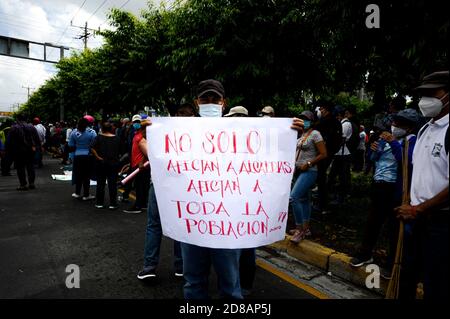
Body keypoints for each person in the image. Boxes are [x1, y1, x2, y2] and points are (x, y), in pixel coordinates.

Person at [395, 70, 449, 300]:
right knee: (406, 276)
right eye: (422, 94)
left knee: (435, 282)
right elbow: (418, 171)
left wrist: (419, 208)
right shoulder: (425, 128)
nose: (424, 100)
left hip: (441, 223)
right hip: (415, 219)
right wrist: (409, 203)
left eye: (432, 93)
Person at [136, 104, 195, 280]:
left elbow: (143, 145)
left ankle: (149, 267)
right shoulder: (197, 139)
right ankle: (181, 266)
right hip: (184, 187)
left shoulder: (162, 136)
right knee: (181, 225)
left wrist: (147, 134)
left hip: (160, 185)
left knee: (154, 226)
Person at [289, 110, 327, 243]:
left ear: (312, 121)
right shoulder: (301, 134)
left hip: (309, 171)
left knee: (294, 197)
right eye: (301, 118)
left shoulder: (316, 134)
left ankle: (299, 230)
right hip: (298, 171)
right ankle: (306, 228)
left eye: (306, 119)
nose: (303, 121)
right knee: (304, 199)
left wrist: (309, 163)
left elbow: (323, 154)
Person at [313, 101, 342, 214]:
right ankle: (323, 203)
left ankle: (322, 205)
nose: (320, 111)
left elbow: (314, 129)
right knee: (322, 178)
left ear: (326, 110)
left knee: (320, 178)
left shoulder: (326, 121)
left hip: (322, 154)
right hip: (329, 153)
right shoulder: (336, 122)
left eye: (321, 109)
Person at [123, 116, 150, 213]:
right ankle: (142, 204)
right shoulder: (137, 135)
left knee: (140, 186)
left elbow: (147, 153)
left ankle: (138, 206)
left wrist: (141, 162)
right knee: (142, 185)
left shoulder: (141, 138)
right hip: (138, 165)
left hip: (141, 166)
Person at [6, 114, 41, 190]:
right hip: (30, 151)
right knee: (30, 167)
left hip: (18, 151)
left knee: (20, 168)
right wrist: (36, 148)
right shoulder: (32, 127)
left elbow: (8, 142)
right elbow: (37, 140)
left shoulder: (14, 128)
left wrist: (9, 152)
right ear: (26, 119)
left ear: (17, 119)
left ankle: (23, 185)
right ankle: (31, 183)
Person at [327, 105, 354, 205]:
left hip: (343, 154)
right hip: (339, 154)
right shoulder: (341, 123)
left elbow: (341, 139)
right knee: (333, 175)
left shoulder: (345, 124)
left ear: (339, 115)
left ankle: (341, 198)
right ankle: (333, 195)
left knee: (342, 177)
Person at [91, 121, 120, 210]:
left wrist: (98, 157)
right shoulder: (117, 138)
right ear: (111, 128)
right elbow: (121, 151)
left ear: (102, 128)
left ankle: (100, 203)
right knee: (112, 184)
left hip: (101, 163)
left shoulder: (98, 137)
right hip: (113, 164)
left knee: (100, 183)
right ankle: (113, 204)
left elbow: (92, 147)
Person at [69, 117, 97, 200]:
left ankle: (77, 193)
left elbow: (71, 146)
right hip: (88, 156)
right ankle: (86, 195)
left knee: (78, 175)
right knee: (86, 176)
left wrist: (72, 156)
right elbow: (95, 144)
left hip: (77, 156)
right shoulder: (92, 132)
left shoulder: (74, 132)